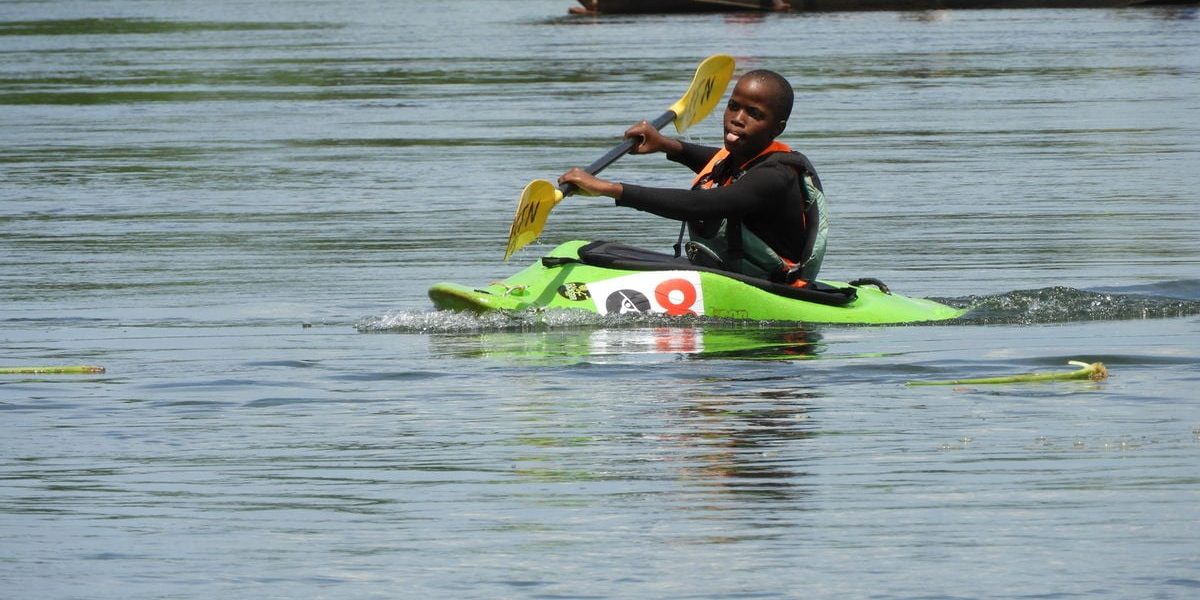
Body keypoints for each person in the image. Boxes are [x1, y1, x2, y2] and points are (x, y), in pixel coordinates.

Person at [558, 69, 827, 283]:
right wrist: (665, 144)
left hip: (772, 287)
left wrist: (607, 188)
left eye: (754, 114)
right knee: (589, 251)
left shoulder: (775, 177)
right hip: (731, 274)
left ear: (777, 128)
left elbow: (699, 205)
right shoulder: (742, 159)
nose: (737, 118)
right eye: (734, 106)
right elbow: (714, 162)